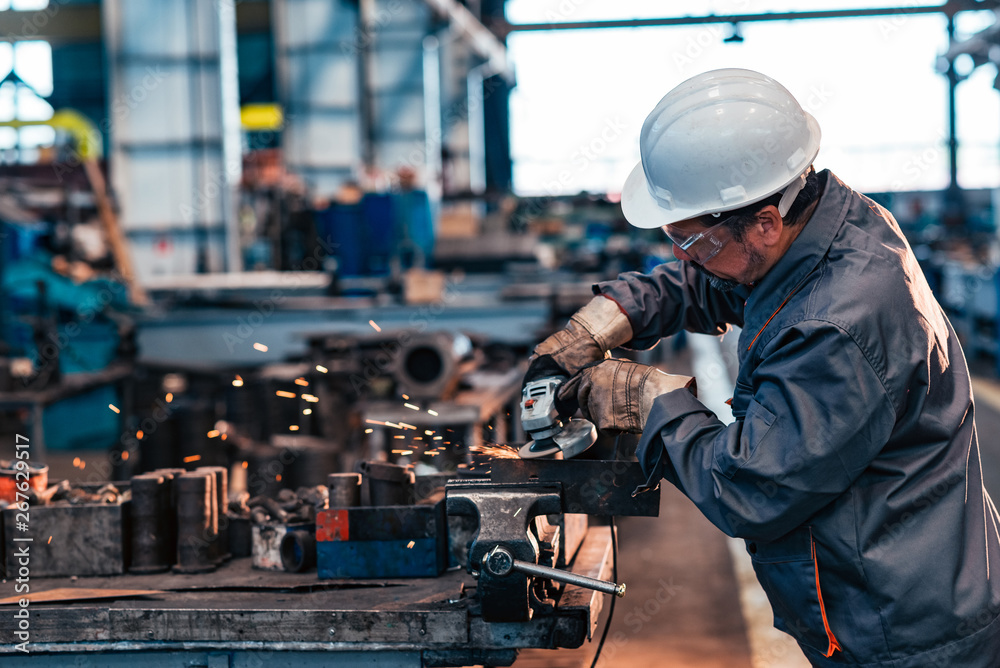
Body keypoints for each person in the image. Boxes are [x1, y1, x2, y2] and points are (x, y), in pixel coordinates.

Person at [530, 69, 1000, 666]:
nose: (685, 259)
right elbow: (728, 279)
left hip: (906, 631)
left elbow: (751, 487)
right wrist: (615, 312)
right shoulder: (827, 226)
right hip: (894, 592)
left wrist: (650, 398)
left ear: (766, 222)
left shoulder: (837, 326)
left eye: (691, 243)